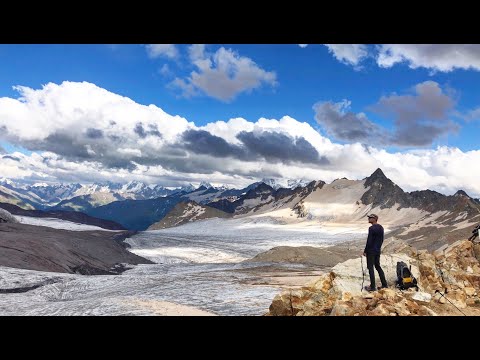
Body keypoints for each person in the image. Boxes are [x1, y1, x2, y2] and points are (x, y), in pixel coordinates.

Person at [362, 213, 388, 292]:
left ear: (374, 219)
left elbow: (369, 241)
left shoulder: (371, 228)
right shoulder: (381, 227)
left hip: (371, 251)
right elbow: (382, 239)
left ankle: (372, 287)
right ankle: (384, 284)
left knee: (370, 268)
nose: (369, 219)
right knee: (378, 266)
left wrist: (365, 251)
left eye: (370, 218)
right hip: (377, 250)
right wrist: (378, 248)